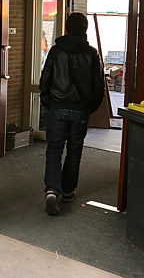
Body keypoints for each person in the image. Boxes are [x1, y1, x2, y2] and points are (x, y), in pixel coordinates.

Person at [39, 12, 104, 216]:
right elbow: (98, 85)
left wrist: (48, 103)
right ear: (85, 29)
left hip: (58, 107)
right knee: (75, 149)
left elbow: (45, 79)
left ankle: (52, 190)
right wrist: (89, 106)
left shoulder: (56, 51)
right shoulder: (91, 54)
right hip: (80, 109)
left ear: (66, 28)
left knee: (54, 149)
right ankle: (68, 191)